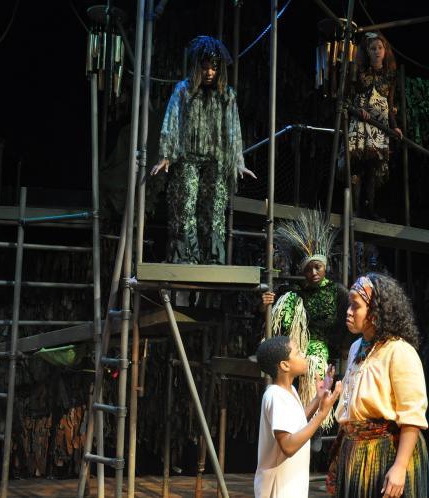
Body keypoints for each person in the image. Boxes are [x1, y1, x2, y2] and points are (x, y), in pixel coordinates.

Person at [151, 35, 256, 264]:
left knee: (214, 206)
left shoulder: (227, 95)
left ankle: (212, 257)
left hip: (215, 159)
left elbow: (234, 129)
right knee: (185, 202)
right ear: (197, 67)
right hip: (187, 157)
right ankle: (185, 256)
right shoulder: (183, 90)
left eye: (213, 68)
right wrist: (166, 155)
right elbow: (172, 121)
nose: (209, 73)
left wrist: (238, 161)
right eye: (205, 67)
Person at [328, 273, 429, 498]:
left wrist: (399, 467)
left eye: (355, 306)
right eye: (349, 304)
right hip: (357, 452)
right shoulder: (356, 347)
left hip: (387, 453)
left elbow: (412, 415)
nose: (349, 311)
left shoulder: (399, 351)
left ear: (375, 312)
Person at [261, 209, 349, 428]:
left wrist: (343, 349)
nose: (314, 273)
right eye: (309, 269)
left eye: (317, 267)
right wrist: (267, 303)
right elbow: (278, 319)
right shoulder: (295, 293)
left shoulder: (337, 292)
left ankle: (312, 423)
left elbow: (347, 323)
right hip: (296, 348)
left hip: (321, 349)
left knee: (315, 365)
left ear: (325, 267)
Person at [254, 336, 342, 498]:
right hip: (278, 490)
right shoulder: (275, 396)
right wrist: (321, 414)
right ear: (285, 365)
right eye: (298, 352)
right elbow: (288, 446)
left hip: (291, 486)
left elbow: (297, 423)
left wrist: (317, 399)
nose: (304, 355)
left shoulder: (289, 391)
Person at [343, 31, 402, 222]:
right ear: (367, 51)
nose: (377, 51)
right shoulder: (359, 72)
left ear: (385, 51)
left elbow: (389, 104)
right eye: (373, 48)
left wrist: (395, 126)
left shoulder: (390, 76)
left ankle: (369, 210)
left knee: (372, 168)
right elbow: (347, 99)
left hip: (379, 127)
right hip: (360, 123)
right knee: (357, 166)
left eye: (380, 48)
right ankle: (354, 210)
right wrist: (357, 110)